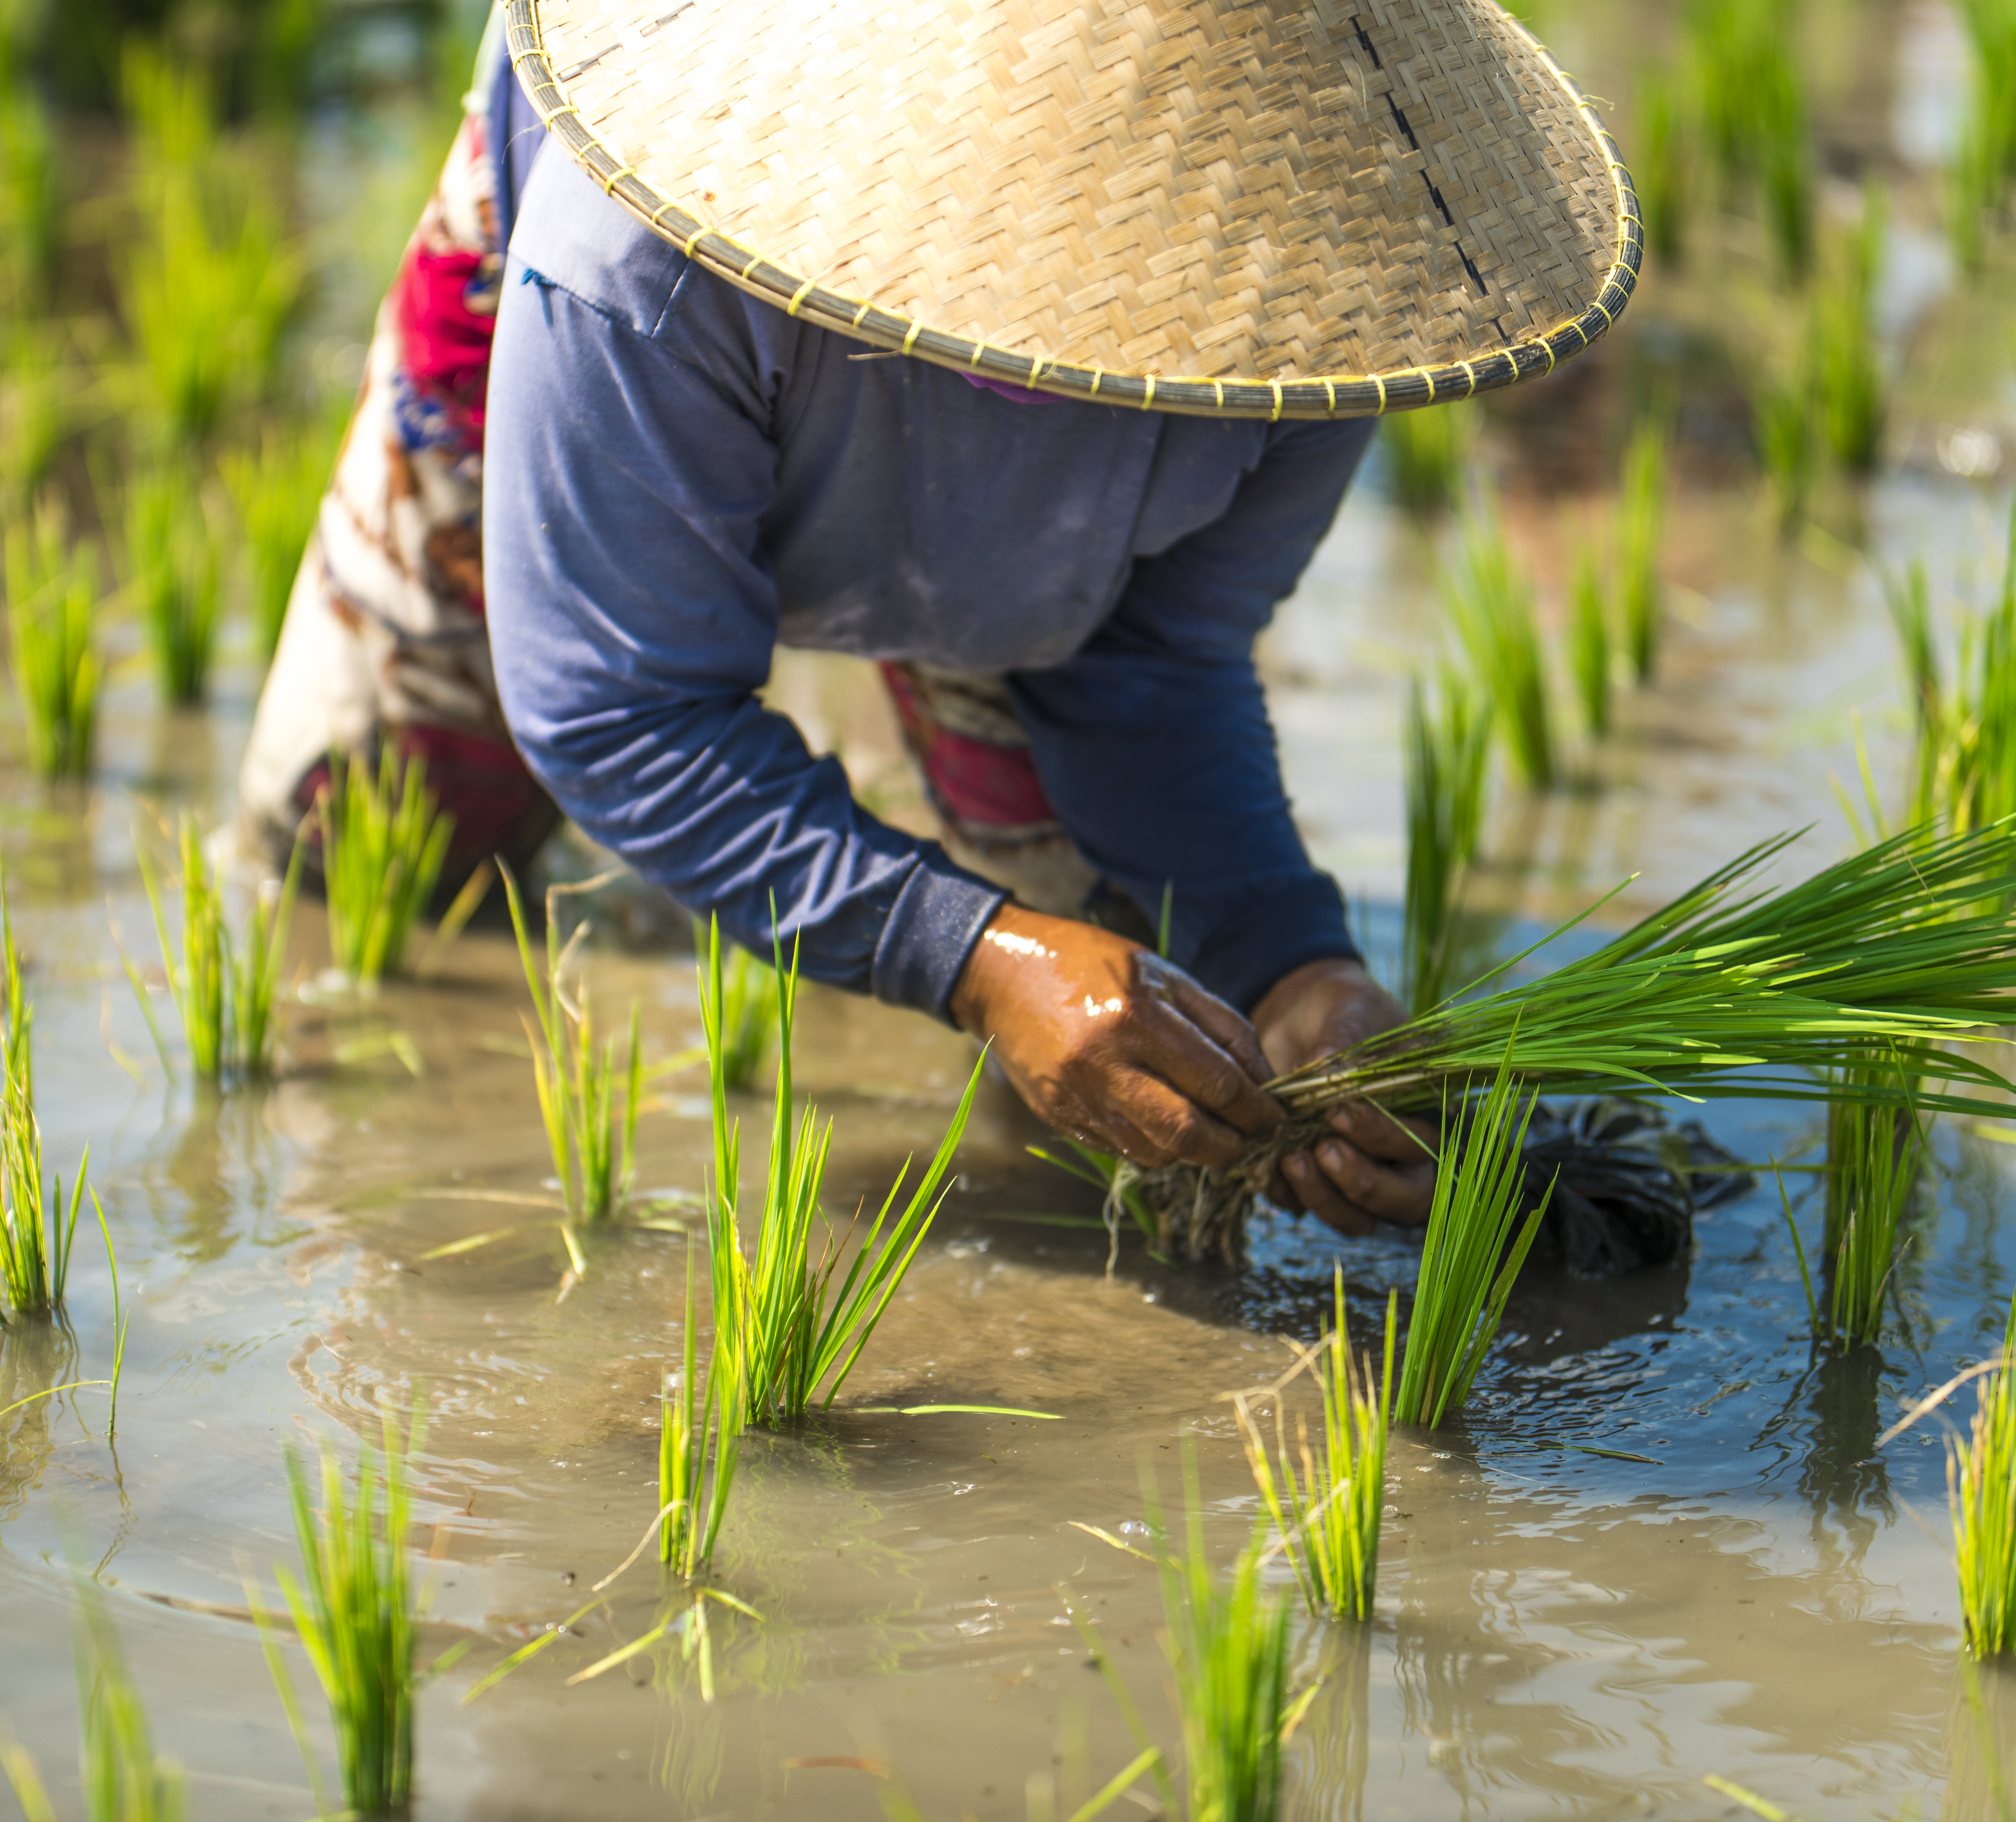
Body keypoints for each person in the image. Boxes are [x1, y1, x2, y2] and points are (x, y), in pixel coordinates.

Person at [240, 0, 1637, 1239]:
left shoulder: (1334, 288)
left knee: (1146, 1072)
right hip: (609, 333)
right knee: (351, 875)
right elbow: (613, 701)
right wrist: (968, 954)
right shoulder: (634, 245)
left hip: (1034, 598)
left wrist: (1293, 963)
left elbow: (1149, 666)